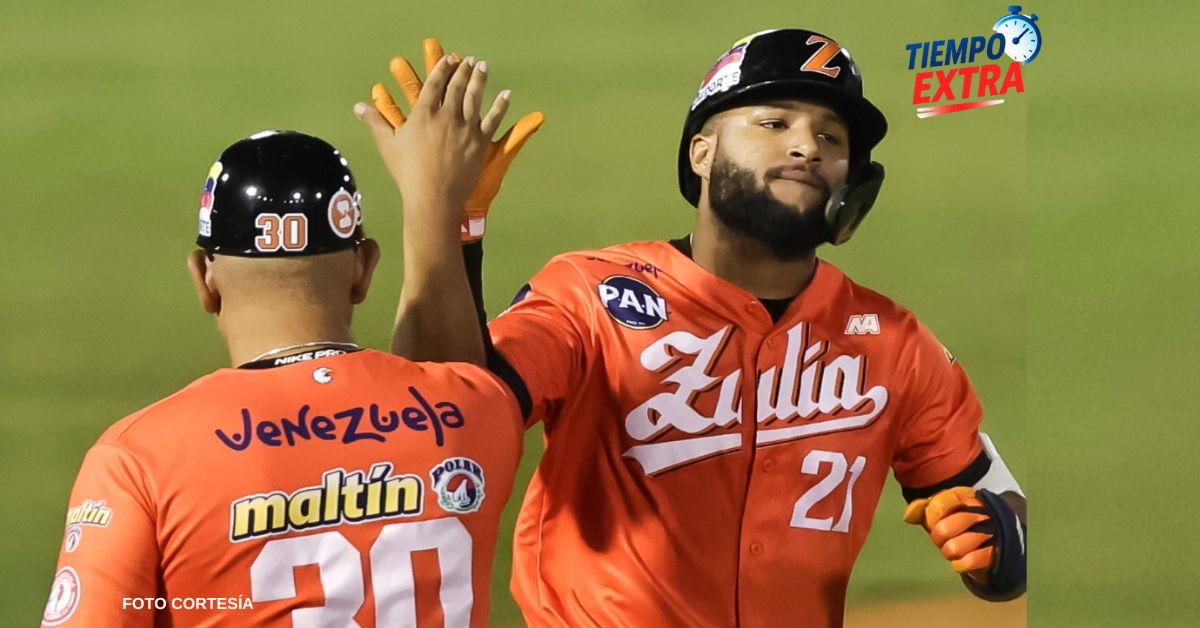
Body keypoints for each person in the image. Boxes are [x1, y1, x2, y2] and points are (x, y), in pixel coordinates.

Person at [361, 30, 1027, 627]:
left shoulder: (890, 340)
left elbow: (989, 496)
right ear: (701, 152)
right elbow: (441, 418)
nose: (806, 145)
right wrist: (446, 221)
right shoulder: (590, 296)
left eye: (832, 137)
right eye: (774, 122)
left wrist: (997, 537)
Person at [42, 105, 523, 624]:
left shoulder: (139, 459)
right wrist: (440, 203)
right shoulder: (480, 411)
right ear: (363, 272)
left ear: (205, 278)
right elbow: (437, 387)